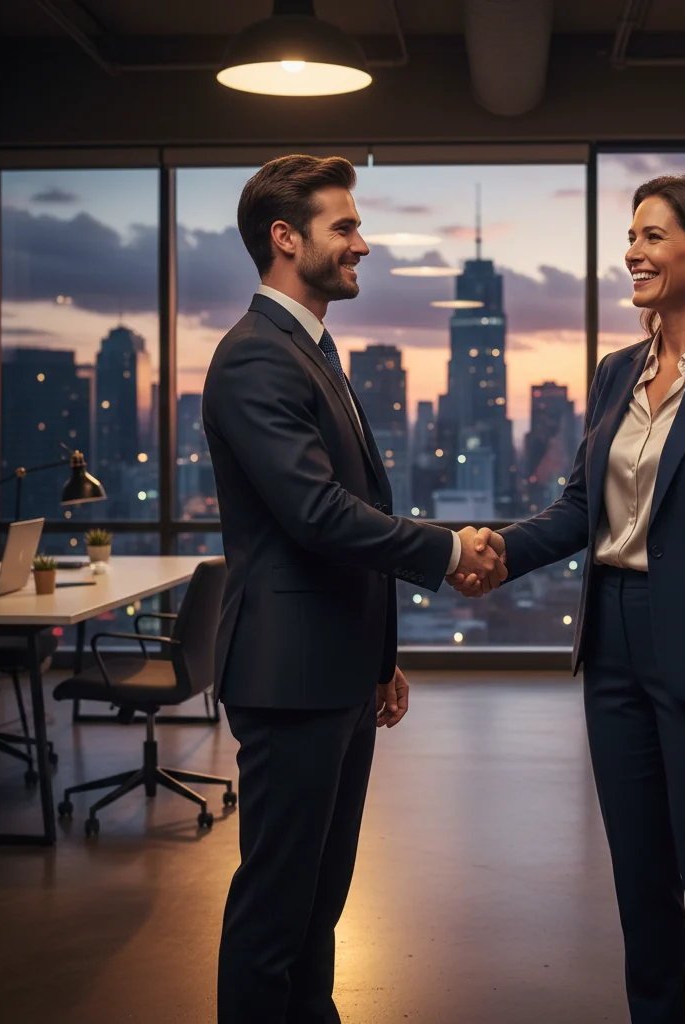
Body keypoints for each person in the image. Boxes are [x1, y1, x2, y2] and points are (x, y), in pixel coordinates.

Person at [453, 175, 685, 1024]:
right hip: (611, 642)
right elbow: (580, 508)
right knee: (639, 874)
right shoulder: (615, 372)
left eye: (651, 237)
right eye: (631, 237)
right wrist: (499, 553)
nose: (632, 253)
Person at [202, 154, 505, 1024]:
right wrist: (448, 551)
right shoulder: (257, 357)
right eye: (345, 227)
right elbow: (318, 515)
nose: (361, 245)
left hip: (333, 671)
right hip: (289, 677)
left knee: (320, 904)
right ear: (286, 239)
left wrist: (381, 659)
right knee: (276, 910)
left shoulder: (312, 352)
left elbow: (356, 510)